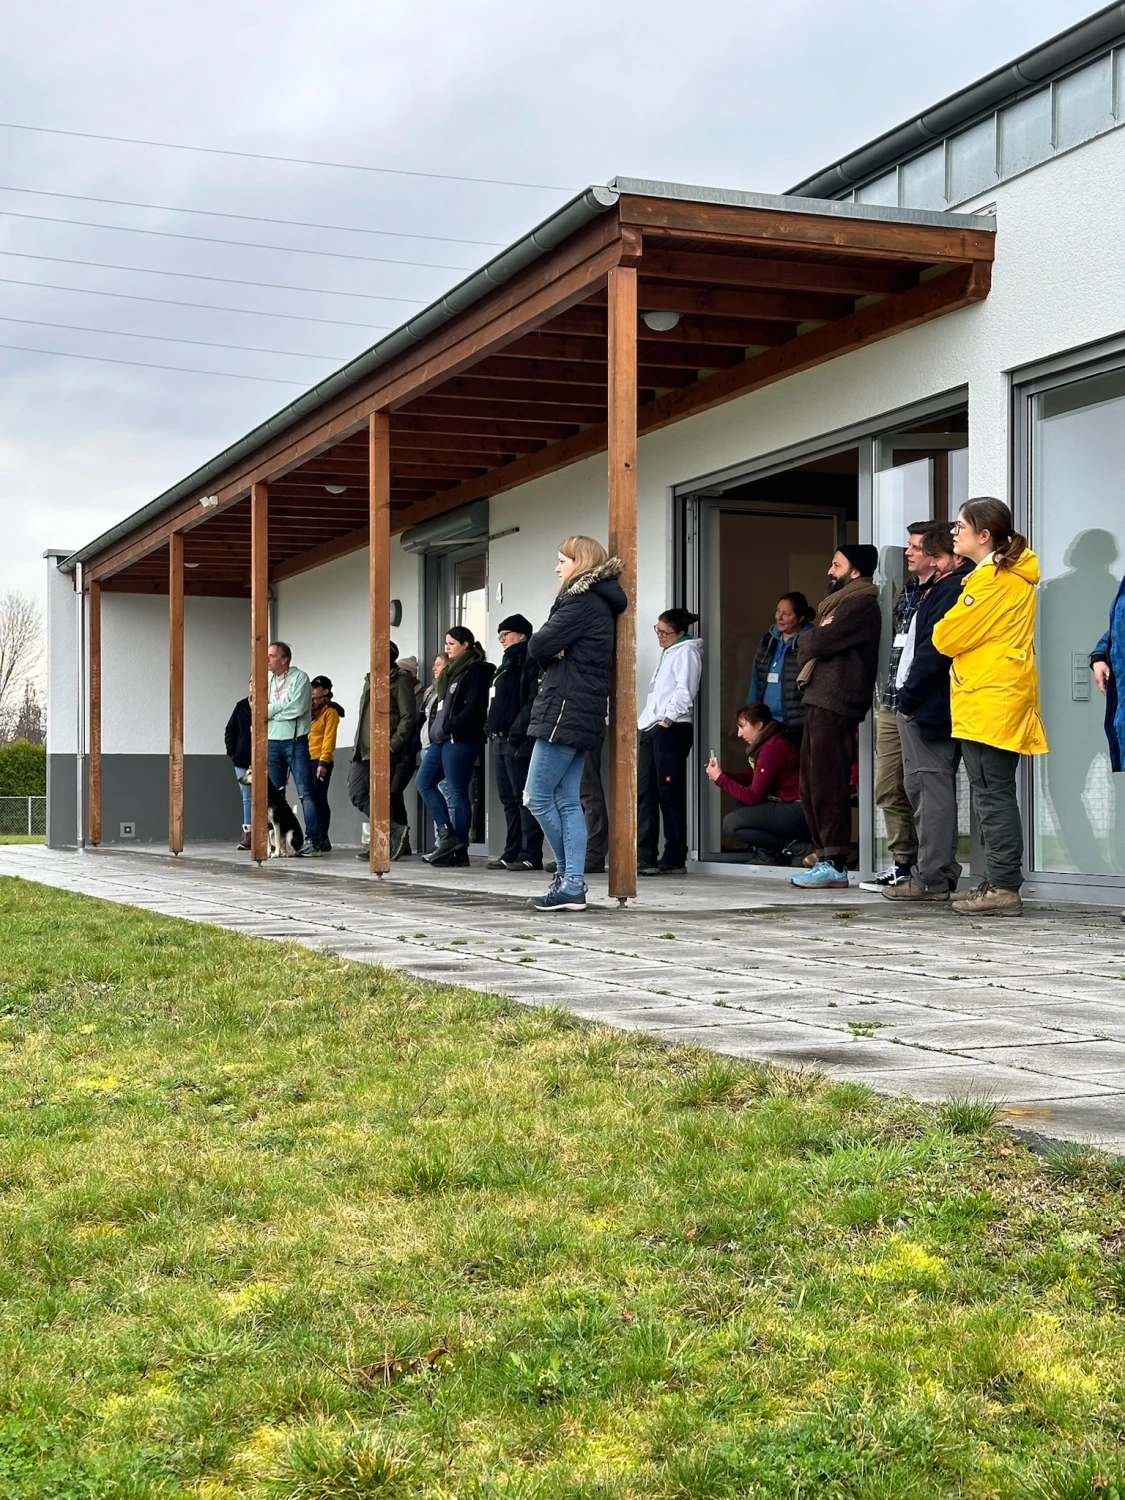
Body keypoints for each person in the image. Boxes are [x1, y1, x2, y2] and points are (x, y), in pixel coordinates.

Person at [933, 498, 1048, 916]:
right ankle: (998, 882)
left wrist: (951, 620)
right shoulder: (998, 576)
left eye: (960, 526)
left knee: (992, 793)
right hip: (991, 694)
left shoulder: (993, 581)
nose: (953, 533)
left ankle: (1003, 887)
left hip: (990, 697)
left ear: (984, 535)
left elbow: (945, 637)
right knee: (989, 792)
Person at [524, 535, 627, 913]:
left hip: (564, 708)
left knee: (535, 796)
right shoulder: (596, 603)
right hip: (580, 708)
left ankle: (570, 880)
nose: (557, 567)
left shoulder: (581, 602)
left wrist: (552, 649)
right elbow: (548, 646)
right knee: (568, 801)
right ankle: (571, 884)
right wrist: (554, 648)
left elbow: (536, 646)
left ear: (580, 563)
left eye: (562, 560)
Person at [883, 523, 975, 903]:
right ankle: (936, 873)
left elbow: (933, 651)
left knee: (929, 789)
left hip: (928, 708)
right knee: (925, 788)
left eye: (933, 554)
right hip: (925, 704)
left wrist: (908, 700)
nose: (927, 560)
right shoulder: (937, 589)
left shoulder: (951, 590)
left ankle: (931, 878)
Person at [789, 544, 882, 890]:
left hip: (837, 701)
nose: (829, 570)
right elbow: (809, 644)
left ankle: (834, 862)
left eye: (836, 564)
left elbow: (818, 644)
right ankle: (823, 855)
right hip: (820, 699)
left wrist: (815, 637)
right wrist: (815, 636)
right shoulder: (839, 605)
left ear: (854, 571)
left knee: (827, 781)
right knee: (810, 783)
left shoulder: (860, 604)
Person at [863, 522, 933, 891]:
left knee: (925, 787)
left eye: (915, 547)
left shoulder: (942, 591)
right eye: (906, 547)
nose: (907, 554)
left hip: (919, 704)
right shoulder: (904, 592)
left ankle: (930, 867)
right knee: (887, 786)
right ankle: (903, 861)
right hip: (890, 702)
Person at [417, 627, 494, 867]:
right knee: (424, 782)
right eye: (447, 643)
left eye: (451, 643)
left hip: (460, 739)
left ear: (466, 644)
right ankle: (447, 836)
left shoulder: (477, 670)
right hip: (441, 739)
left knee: (458, 791)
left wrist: (451, 725)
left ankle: (459, 849)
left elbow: (474, 707)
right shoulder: (450, 672)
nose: (447, 647)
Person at [637, 608, 703, 876]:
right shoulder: (668, 652)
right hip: (652, 727)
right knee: (645, 793)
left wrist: (668, 718)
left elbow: (685, 690)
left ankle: (675, 854)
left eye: (666, 632)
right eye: (658, 630)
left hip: (671, 727)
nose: (660, 636)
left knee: (669, 793)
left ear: (679, 632)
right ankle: (646, 856)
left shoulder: (687, 651)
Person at [705, 702, 808, 860]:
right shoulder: (769, 741)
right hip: (789, 804)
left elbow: (752, 796)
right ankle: (768, 853)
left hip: (796, 809)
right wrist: (721, 775)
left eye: (742, 726)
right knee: (737, 793)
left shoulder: (771, 749)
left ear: (759, 725)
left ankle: (793, 847)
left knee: (731, 824)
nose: (739, 734)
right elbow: (752, 777)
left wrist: (720, 778)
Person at [485, 614, 544, 871]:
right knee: (508, 800)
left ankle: (530, 853)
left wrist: (517, 731)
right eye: (499, 636)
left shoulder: (528, 662)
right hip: (499, 740)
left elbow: (532, 701)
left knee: (524, 799)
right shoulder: (505, 666)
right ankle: (511, 851)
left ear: (521, 635)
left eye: (505, 635)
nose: (502, 641)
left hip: (516, 740)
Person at [350, 644, 418, 862]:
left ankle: (384, 842)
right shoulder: (370, 679)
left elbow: (409, 716)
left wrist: (392, 744)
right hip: (363, 748)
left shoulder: (400, 680)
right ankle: (395, 831)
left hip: (385, 748)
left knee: (383, 796)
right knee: (357, 792)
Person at [266, 641, 320, 854]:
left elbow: (296, 709)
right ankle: (276, 845)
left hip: (295, 741)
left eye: (271, 655)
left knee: (305, 792)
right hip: (272, 742)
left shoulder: (300, 678)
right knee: (273, 795)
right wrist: (275, 709)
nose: (267, 660)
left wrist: (271, 711)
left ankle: (314, 841)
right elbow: (257, 708)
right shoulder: (268, 680)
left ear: (284, 659)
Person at [747, 592, 814, 743]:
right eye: (778, 611)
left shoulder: (810, 642)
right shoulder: (767, 641)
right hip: (765, 724)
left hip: (795, 727)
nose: (779, 617)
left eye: (786, 613)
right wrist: (750, 716)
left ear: (800, 617)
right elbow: (756, 680)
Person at [307, 676, 344, 853]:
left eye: (317, 687)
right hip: (305, 758)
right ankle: (312, 836)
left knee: (318, 798)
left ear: (326, 691)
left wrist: (324, 761)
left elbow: (329, 739)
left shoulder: (330, 712)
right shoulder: (308, 710)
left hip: (320, 760)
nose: (313, 689)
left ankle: (322, 837)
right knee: (309, 798)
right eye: (312, 686)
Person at [224, 679, 253, 851]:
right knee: (247, 796)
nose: (252, 685)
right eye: (250, 681)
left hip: (267, 758)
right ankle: (248, 834)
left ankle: (270, 835)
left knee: (271, 795)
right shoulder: (241, 706)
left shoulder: (272, 704)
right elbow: (230, 730)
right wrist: (233, 752)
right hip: (242, 758)